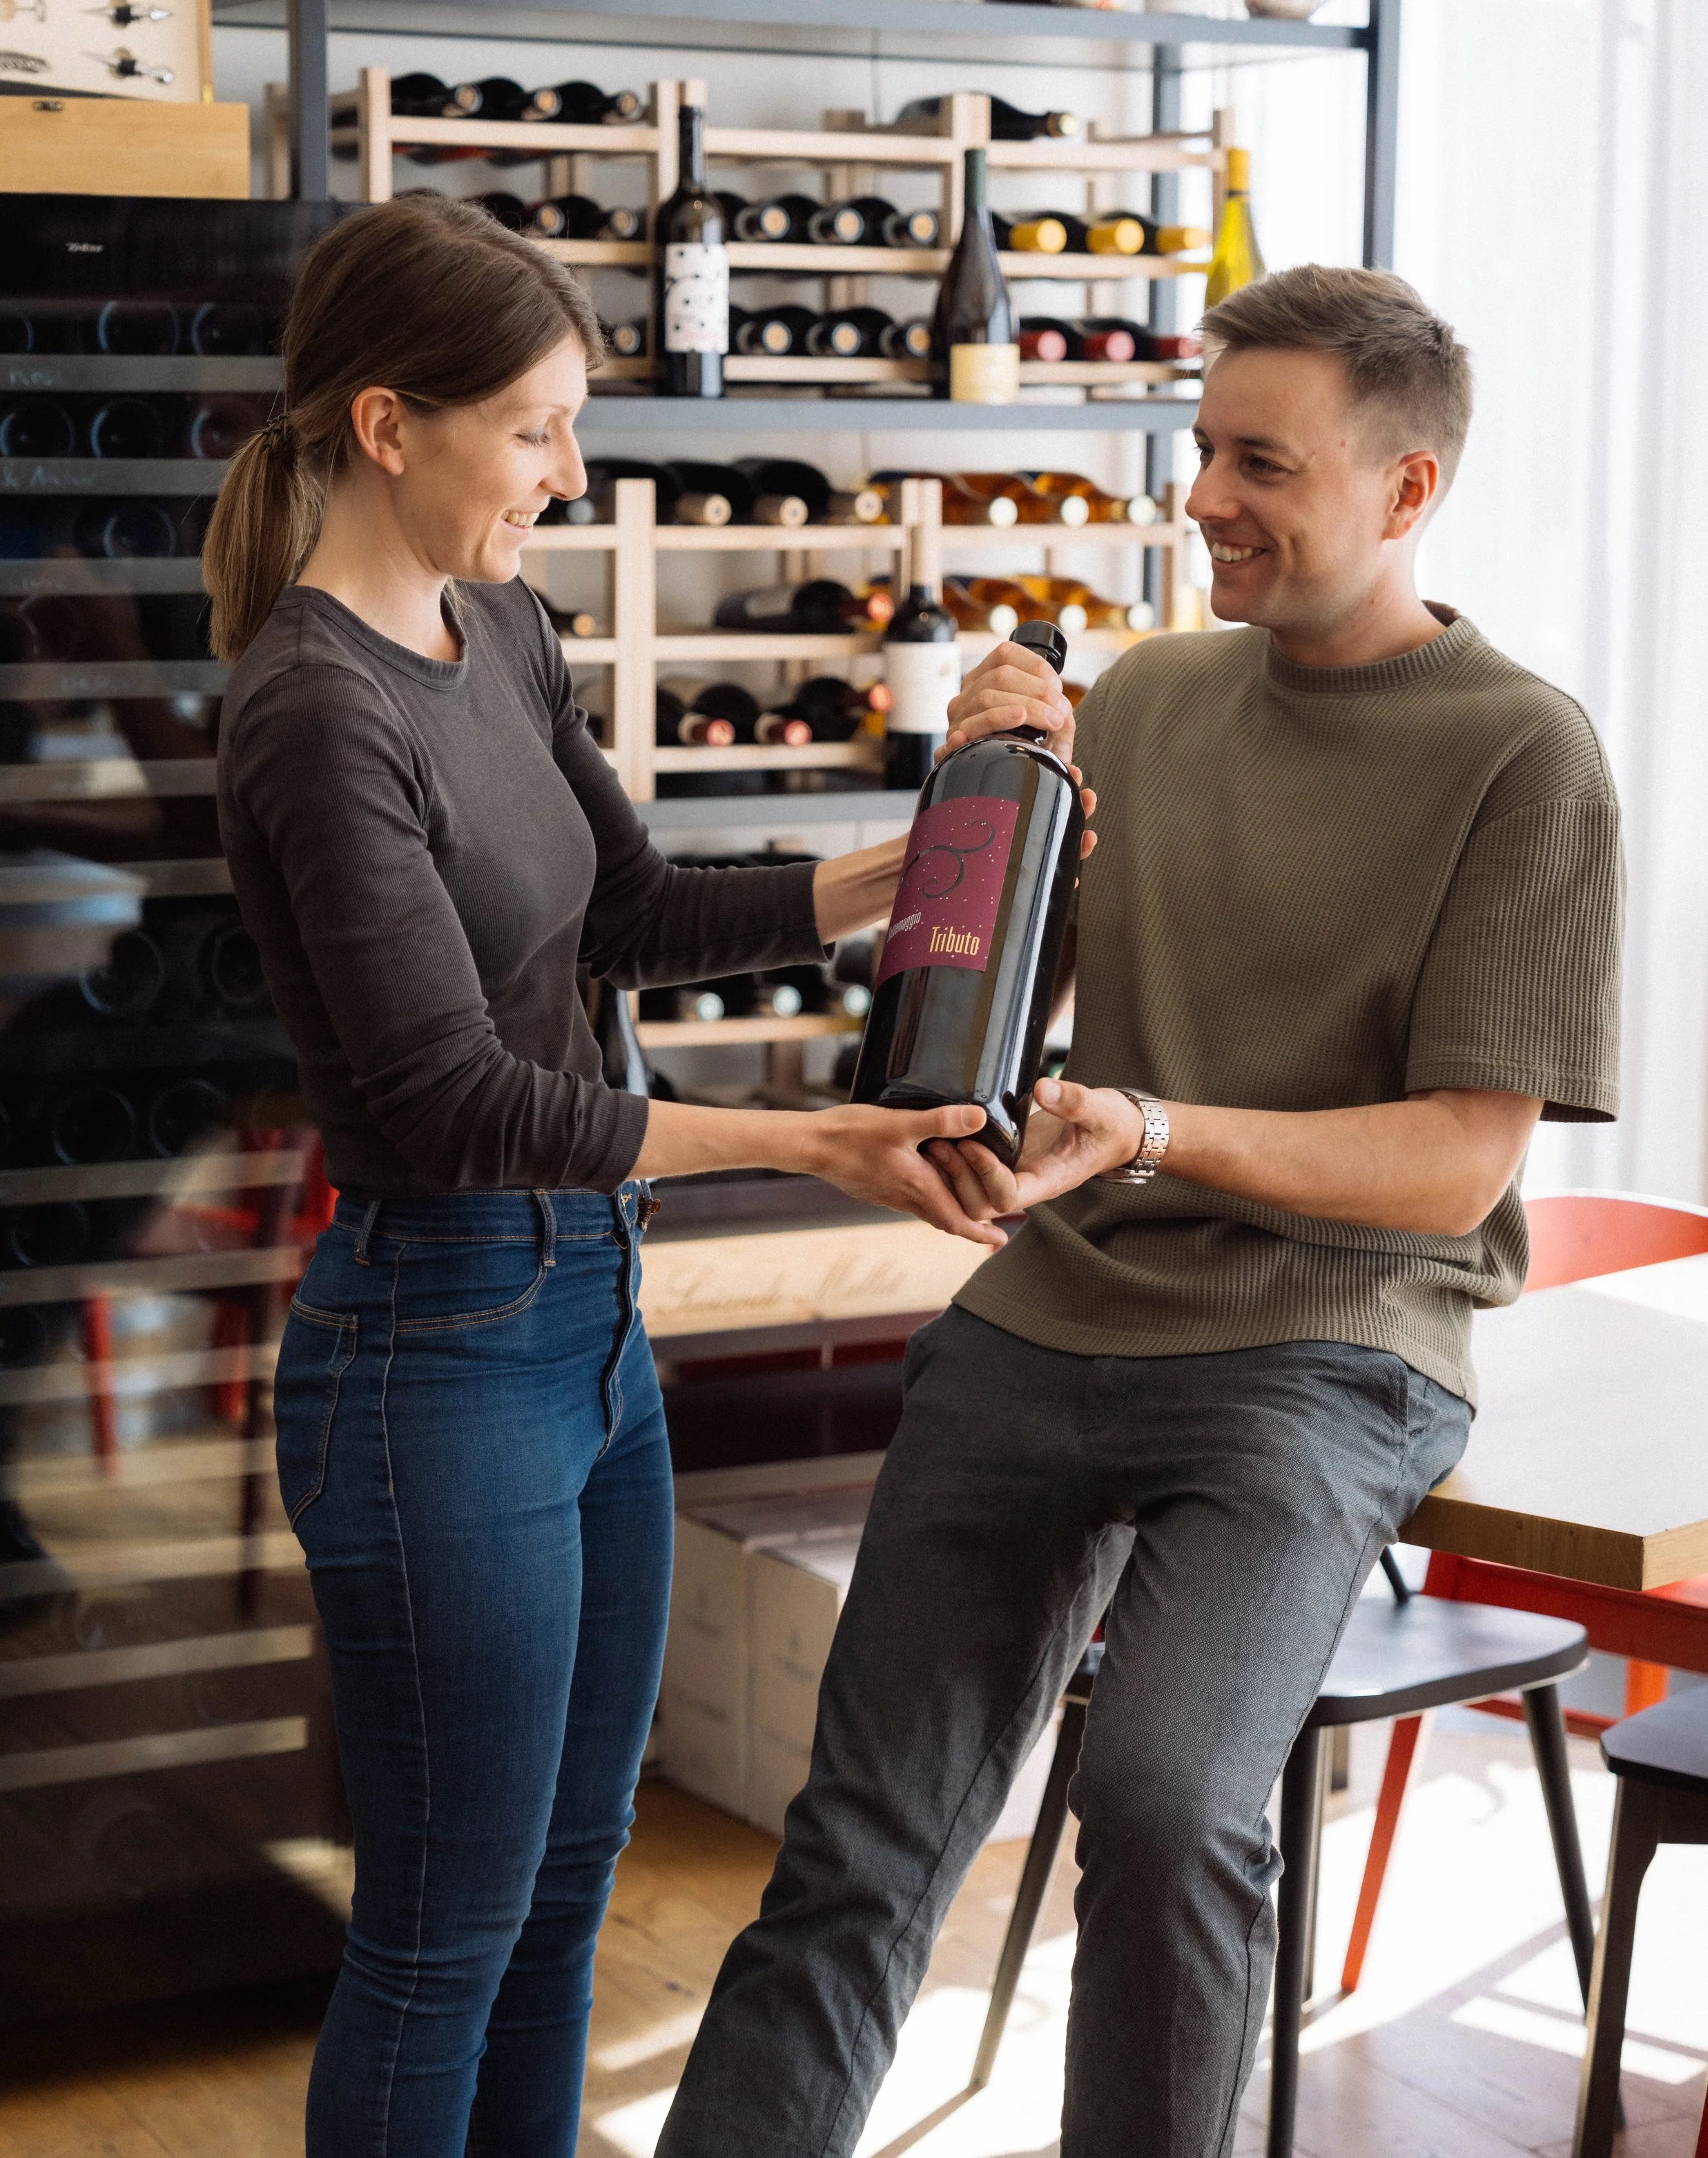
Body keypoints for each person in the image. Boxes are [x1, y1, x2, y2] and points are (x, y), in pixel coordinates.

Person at [655, 265, 1625, 2158]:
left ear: (1407, 488)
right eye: (1200, 450)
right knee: (861, 1837)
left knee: (1176, 1799)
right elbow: (984, 1018)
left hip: (1325, 1351)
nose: (1200, 498)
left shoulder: (1523, 752)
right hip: (1050, 1315)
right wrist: (987, 800)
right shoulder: (1156, 697)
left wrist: (1161, 1126)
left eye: (1259, 461)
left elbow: (1456, 1161)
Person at [205, 195, 1112, 2158]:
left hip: (587, 1327)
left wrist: (956, 831)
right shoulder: (313, 710)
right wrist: (814, 1140)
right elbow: (452, 1097)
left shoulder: (501, 627)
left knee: (559, 1884)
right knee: (445, 1927)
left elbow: (627, 909)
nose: (570, 469)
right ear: (390, 425)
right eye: (535, 427)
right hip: (435, 1346)